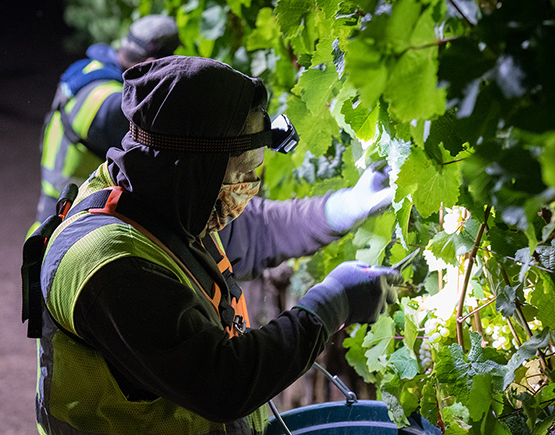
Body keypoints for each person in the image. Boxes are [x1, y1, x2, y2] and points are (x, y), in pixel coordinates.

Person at [25, 56, 403, 434]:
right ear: (195, 170)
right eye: (241, 173)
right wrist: (330, 305)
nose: (250, 186)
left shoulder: (163, 201)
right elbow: (221, 383)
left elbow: (259, 231)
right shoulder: (108, 264)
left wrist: (345, 207)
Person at [31, 14, 181, 231]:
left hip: (54, 194)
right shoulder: (115, 104)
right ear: (152, 62)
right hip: (80, 208)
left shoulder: (87, 70)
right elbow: (149, 168)